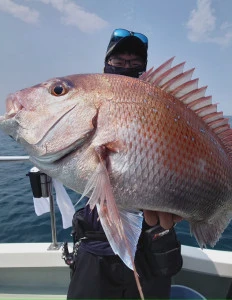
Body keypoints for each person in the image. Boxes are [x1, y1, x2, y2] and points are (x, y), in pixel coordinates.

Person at [66, 28, 183, 299]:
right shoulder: (91, 100)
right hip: (97, 243)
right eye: (119, 61)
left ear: (144, 67)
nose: (127, 66)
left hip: (150, 242)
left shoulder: (162, 104)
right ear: (106, 64)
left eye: (134, 63)